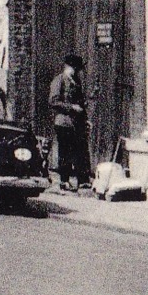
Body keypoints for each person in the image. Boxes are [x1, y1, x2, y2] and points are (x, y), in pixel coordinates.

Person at [48, 54, 91, 192]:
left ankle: (83, 180)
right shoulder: (59, 80)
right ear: (68, 67)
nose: (77, 71)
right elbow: (53, 101)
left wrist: (85, 119)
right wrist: (71, 107)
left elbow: (80, 104)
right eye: (75, 68)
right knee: (65, 152)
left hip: (77, 123)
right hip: (64, 122)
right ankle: (64, 181)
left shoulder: (76, 81)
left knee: (80, 151)